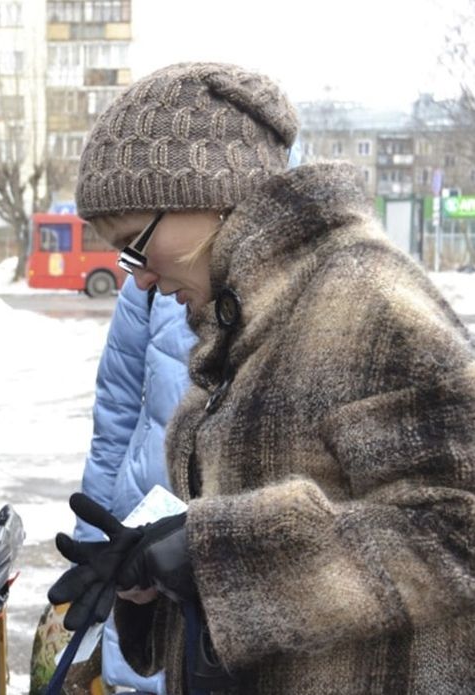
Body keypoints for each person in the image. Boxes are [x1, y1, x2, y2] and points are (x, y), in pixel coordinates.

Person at [49, 61, 475, 694]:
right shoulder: (236, 325)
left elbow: (456, 529)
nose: (135, 275)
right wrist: (156, 582)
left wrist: (209, 552)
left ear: (207, 198)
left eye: (136, 241)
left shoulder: (366, 301)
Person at [73, 281, 194, 694]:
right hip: (139, 543)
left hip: (231, 558)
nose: (138, 266)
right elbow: (115, 415)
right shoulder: (145, 287)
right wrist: (94, 549)